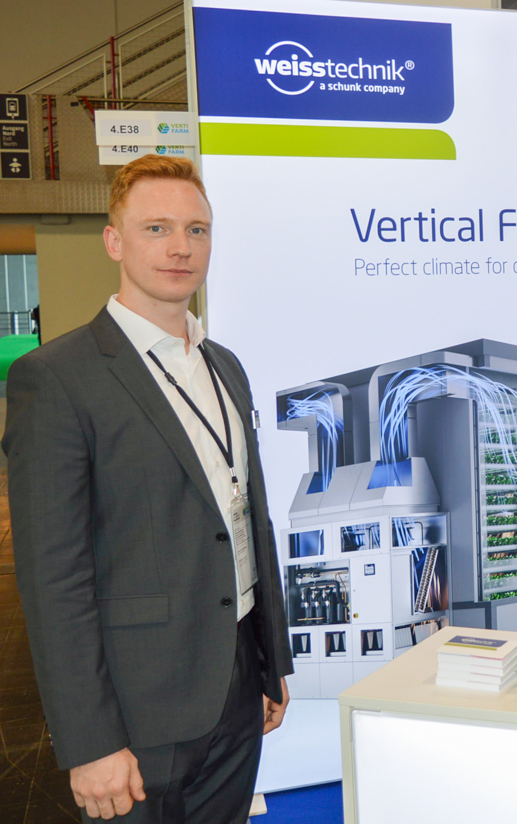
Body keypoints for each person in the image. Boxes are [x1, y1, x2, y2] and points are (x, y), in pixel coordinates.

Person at [3, 155, 294, 822]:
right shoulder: (57, 378)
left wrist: (267, 660)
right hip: (136, 712)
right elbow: (53, 579)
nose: (180, 247)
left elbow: (246, 519)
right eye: (157, 228)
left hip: (236, 688)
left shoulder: (225, 366)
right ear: (114, 241)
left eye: (197, 229)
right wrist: (90, 740)